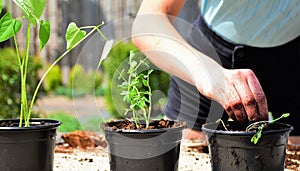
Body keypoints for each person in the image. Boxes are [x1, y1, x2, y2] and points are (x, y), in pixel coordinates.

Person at [131, 0, 300, 144]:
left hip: (292, 58)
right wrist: (206, 73)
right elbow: (147, 22)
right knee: (188, 155)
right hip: (209, 56)